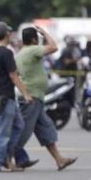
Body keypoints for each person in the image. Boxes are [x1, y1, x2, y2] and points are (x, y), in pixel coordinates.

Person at [14, 27, 77, 170]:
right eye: (37, 38)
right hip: (32, 97)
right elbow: (54, 47)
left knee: (45, 129)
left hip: (35, 97)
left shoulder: (20, 54)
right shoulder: (32, 50)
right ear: (34, 39)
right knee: (22, 132)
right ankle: (4, 158)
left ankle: (59, 159)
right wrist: (45, 33)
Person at [0, 21, 33, 172]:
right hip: (5, 97)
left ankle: (6, 158)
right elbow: (13, 76)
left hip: (1, 97)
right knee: (3, 132)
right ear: (7, 34)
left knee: (18, 126)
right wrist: (26, 93)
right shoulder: (6, 53)